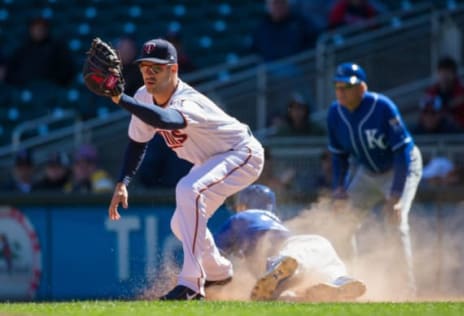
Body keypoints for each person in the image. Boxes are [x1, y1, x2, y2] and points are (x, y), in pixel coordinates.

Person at [104, 38, 264, 300]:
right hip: (213, 160)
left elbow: (164, 119)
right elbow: (138, 141)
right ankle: (218, 272)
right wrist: (123, 181)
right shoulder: (145, 96)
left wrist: (120, 98)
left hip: (242, 153)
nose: (148, 72)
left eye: (156, 67)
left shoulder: (187, 100)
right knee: (181, 223)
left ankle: (191, 283)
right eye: (144, 67)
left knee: (188, 190)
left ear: (173, 70)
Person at [326, 62, 422, 299]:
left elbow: (402, 150)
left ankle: (407, 291)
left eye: (346, 87)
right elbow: (339, 156)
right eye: (337, 87)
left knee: (395, 220)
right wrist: (339, 189)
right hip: (367, 173)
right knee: (343, 221)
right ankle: (347, 283)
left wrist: (397, 194)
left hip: (401, 167)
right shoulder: (334, 113)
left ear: (362, 88)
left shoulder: (381, 106)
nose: (341, 92)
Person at [212, 184, 366, 301]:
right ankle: (338, 282)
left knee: (291, 263)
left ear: (242, 206)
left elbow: (212, 255)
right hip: (314, 245)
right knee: (330, 271)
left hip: (293, 251)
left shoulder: (239, 218)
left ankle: (279, 265)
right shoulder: (277, 223)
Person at [5, 16, 75, 87]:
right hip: (25, 88)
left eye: (41, 29)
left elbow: (66, 71)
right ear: (30, 30)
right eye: (36, 29)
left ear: (46, 30)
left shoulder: (57, 48)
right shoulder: (22, 49)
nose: (38, 31)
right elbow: (12, 72)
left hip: (50, 88)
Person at [423, 56, 464, 132]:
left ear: (454, 74)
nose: (444, 76)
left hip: (461, 133)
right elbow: (423, 115)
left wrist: (457, 120)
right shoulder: (431, 93)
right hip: (434, 132)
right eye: (442, 72)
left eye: (447, 72)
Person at [251, 0, 318, 63]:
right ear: (268, 6)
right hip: (270, 68)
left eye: (281, 2)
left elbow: (312, 44)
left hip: (300, 65)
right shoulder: (261, 29)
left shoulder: (301, 23)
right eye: (274, 3)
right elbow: (255, 51)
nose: (278, 7)